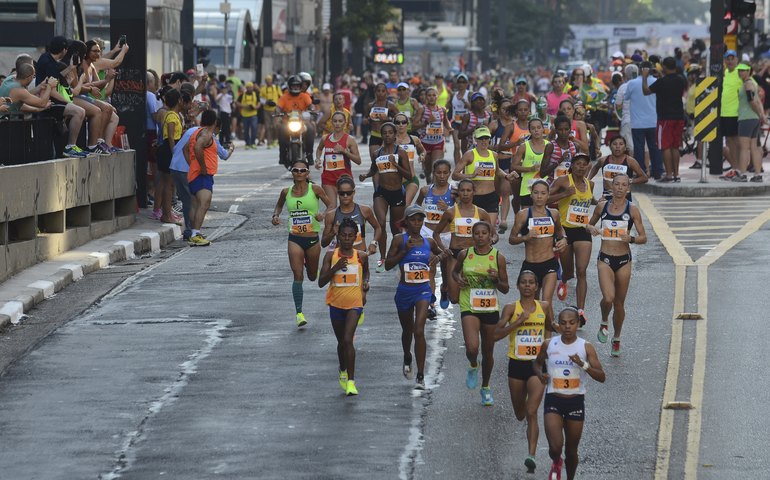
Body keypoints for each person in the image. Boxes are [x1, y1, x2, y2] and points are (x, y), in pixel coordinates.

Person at [533, 307, 606, 480]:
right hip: (553, 399)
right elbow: (536, 363)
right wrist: (540, 374)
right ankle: (556, 461)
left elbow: (602, 376)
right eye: (563, 323)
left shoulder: (585, 347)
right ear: (559, 324)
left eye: (572, 323)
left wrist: (583, 364)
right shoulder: (549, 344)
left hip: (575, 402)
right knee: (556, 447)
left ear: (578, 324)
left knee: (571, 451)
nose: (567, 327)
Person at [494, 270, 553, 474]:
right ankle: (530, 444)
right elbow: (495, 335)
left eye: (531, 283)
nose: (527, 286)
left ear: (537, 287)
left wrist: (548, 348)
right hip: (516, 365)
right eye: (523, 283)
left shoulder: (544, 306)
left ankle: (531, 455)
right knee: (520, 413)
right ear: (518, 286)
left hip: (537, 366)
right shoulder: (511, 308)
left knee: (531, 411)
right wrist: (518, 322)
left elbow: (550, 326)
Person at [384, 204, 446, 390]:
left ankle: (420, 375)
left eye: (420, 219)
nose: (417, 223)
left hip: (423, 291)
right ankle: (407, 356)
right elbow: (387, 265)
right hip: (404, 291)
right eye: (413, 219)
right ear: (407, 221)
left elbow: (442, 254)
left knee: (419, 330)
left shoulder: (429, 242)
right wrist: (404, 251)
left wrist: (438, 260)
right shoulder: (398, 240)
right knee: (408, 331)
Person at [587, 174, 647, 356]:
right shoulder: (602, 206)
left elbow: (644, 237)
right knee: (608, 298)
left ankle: (617, 338)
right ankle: (604, 320)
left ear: (628, 189)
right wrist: (593, 229)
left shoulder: (633, 209)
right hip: (605, 258)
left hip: (623, 260)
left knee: (619, 303)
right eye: (617, 184)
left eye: (624, 185)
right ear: (611, 186)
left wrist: (632, 238)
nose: (620, 188)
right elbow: (589, 225)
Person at [453, 221, 510, 405]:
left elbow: (505, 288)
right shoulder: (465, 254)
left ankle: (485, 387)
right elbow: (455, 273)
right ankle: (472, 364)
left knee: (488, 351)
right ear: (472, 235)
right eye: (476, 233)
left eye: (484, 233)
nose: (480, 236)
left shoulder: (498, 257)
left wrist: (495, 279)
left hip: (489, 307)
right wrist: (458, 279)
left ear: (490, 235)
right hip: (468, 304)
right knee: (472, 347)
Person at [271, 160, 333, 327]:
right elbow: (278, 206)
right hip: (295, 238)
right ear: (292, 173)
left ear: (307, 173)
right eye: (295, 170)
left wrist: (323, 214)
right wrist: (275, 216)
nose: (299, 173)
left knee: (312, 276)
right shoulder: (286, 191)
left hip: (312, 238)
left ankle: (311, 267)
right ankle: (299, 313)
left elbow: (331, 205)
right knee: (298, 275)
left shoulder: (315, 189)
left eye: (302, 170)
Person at [318, 218, 370, 397]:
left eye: (350, 236)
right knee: (341, 343)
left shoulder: (361, 256)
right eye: (343, 236)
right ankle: (342, 368)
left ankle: (351, 381)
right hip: (335, 304)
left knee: (348, 340)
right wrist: (335, 268)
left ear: (355, 237)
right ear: (338, 237)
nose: (347, 239)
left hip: (355, 304)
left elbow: (366, 274)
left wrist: (365, 284)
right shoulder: (330, 256)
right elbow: (321, 282)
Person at [508, 179, 567, 319]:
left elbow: (560, 232)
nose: (539, 196)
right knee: (531, 304)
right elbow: (511, 239)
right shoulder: (523, 215)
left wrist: (564, 239)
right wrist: (525, 237)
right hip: (530, 265)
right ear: (531, 195)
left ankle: (548, 337)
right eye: (536, 193)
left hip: (549, 263)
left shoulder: (554, 214)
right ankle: (534, 334)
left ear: (548, 196)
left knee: (546, 302)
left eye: (543, 193)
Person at [548, 153, 595, 324]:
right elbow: (545, 199)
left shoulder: (590, 184)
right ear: (572, 166)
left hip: (582, 231)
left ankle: (580, 311)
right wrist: (564, 194)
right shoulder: (562, 181)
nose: (581, 167)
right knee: (569, 271)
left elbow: (590, 202)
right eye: (578, 164)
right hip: (564, 231)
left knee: (582, 271)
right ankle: (564, 280)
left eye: (584, 164)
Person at [172, 110, 234, 240]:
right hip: (202, 175)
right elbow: (197, 147)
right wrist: (202, 167)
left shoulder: (196, 132)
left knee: (195, 204)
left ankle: (193, 233)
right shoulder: (206, 135)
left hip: (195, 174)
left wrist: (193, 165)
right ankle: (195, 233)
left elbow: (185, 149)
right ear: (215, 122)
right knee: (204, 203)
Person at [359, 122, 411, 272]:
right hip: (381, 193)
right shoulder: (377, 153)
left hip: (397, 193)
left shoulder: (400, 152)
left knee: (396, 229)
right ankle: (382, 258)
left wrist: (396, 165)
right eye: (385, 133)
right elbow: (373, 170)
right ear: (381, 135)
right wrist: (365, 175)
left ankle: (395, 256)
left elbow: (409, 175)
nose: (387, 135)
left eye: (390, 132)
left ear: (395, 135)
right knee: (380, 223)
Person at [453, 126, 514, 236]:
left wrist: (506, 176)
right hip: (474, 198)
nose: (484, 141)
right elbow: (455, 175)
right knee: (472, 232)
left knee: (488, 232)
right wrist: (471, 175)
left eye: (486, 138)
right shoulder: (470, 155)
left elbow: (497, 170)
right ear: (475, 139)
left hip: (491, 197)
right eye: (481, 138)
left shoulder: (494, 155)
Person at [416, 159, 454, 312]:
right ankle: (431, 302)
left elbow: (462, 211)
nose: (442, 176)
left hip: (446, 234)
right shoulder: (425, 190)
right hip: (428, 233)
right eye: (438, 172)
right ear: (433, 174)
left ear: (449, 173)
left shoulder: (454, 191)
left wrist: (450, 208)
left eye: (445, 173)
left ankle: (444, 288)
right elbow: (416, 207)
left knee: (446, 269)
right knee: (430, 266)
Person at [643, 56, 687, 182]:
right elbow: (670, 81)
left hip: (665, 118)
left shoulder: (661, 82)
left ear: (664, 67)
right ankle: (676, 175)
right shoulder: (681, 80)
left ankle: (668, 175)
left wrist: (645, 78)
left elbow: (646, 91)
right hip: (679, 116)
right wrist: (662, 74)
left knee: (665, 146)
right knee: (675, 146)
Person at [320, 176, 382, 259]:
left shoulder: (364, 210)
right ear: (338, 193)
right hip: (340, 258)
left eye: (348, 193)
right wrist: (333, 233)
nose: (345, 196)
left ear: (353, 192)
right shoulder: (331, 215)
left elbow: (377, 227)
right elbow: (323, 243)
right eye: (342, 193)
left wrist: (374, 243)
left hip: (360, 257)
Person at [314, 111, 362, 207]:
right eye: (335, 121)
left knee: (346, 207)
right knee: (332, 207)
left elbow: (358, 161)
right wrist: (317, 159)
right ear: (331, 122)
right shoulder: (325, 138)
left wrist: (344, 151)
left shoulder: (350, 139)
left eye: (340, 121)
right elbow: (319, 149)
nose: (337, 124)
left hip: (345, 178)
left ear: (345, 123)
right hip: (328, 179)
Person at [624, 61, 663, 179]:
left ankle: (640, 172)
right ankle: (658, 172)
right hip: (653, 121)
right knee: (655, 148)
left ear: (640, 69)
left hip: (637, 123)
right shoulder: (657, 82)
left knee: (639, 149)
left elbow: (626, 97)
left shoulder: (631, 83)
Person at [154, 88, 184, 224]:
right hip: (168, 150)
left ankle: (166, 214)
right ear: (179, 101)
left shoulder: (172, 114)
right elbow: (171, 137)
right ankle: (167, 215)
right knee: (169, 185)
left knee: (168, 184)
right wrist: (175, 154)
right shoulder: (171, 116)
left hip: (169, 149)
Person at [588, 136, 648, 200]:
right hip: (607, 198)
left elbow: (644, 178)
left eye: (621, 144)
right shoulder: (603, 160)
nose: (617, 146)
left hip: (625, 199)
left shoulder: (630, 161)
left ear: (625, 147)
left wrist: (630, 181)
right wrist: (588, 179)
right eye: (614, 144)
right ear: (610, 146)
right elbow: (595, 168)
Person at [511, 118, 553, 208]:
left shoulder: (549, 145)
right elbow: (514, 166)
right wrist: (530, 169)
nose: (536, 130)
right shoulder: (524, 146)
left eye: (538, 127)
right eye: (533, 128)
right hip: (527, 188)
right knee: (526, 217)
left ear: (543, 129)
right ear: (529, 130)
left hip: (544, 187)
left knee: (542, 217)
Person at [734, 63, 766, 182]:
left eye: (743, 70)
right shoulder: (752, 84)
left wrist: (759, 114)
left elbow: (752, 102)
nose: (740, 73)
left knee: (744, 148)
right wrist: (761, 115)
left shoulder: (747, 84)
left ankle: (742, 175)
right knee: (754, 147)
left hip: (746, 118)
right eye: (739, 71)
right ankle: (757, 175)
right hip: (754, 119)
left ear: (749, 71)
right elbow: (758, 101)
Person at [413, 87, 452, 183]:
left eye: (434, 95)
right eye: (429, 95)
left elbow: (446, 121)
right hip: (425, 143)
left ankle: (434, 189)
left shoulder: (442, 110)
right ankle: (427, 176)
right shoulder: (422, 110)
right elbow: (414, 126)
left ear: (437, 96)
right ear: (426, 97)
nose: (431, 97)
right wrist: (426, 122)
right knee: (428, 169)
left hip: (438, 142)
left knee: (436, 166)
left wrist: (449, 128)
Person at [276, 75, 315, 164]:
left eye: (297, 85)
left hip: (302, 121)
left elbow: (310, 106)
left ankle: (309, 154)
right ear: (289, 86)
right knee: (281, 129)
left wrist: (312, 110)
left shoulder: (305, 96)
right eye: (293, 85)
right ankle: (282, 154)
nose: (295, 87)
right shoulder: (284, 97)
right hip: (287, 121)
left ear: (300, 86)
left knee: (310, 129)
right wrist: (278, 112)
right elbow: (278, 107)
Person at [394, 112, 427, 205]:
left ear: (407, 124)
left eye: (403, 122)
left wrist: (422, 156)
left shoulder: (414, 139)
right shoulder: (390, 140)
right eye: (397, 122)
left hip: (411, 179)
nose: (401, 125)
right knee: (396, 209)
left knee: (405, 204)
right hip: (394, 181)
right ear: (394, 124)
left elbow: (423, 151)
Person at [719, 50, 742, 180]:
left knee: (736, 141)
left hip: (735, 113)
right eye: (728, 59)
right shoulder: (725, 73)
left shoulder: (740, 72)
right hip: (724, 113)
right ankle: (734, 168)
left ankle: (739, 169)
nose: (730, 61)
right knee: (729, 142)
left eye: (732, 59)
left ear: (737, 60)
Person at [364, 83, 400, 160]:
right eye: (378, 91)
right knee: (374, 160)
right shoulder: (371, 105)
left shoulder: (391, 105)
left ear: (386, 92)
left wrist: (388, 119)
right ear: (375, 92)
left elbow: (400, 119)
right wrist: (366, 121)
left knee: (387, 160)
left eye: (383, 91)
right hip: (375, 135)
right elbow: (365, 118)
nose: (380, 93)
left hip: (388, 136)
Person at [540, 115, 579, 182]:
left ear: (570, 129)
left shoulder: (575, 147)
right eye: (560, 130)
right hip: (553, 187)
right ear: (556, 130)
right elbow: (542, 173)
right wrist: (559, 161)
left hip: (569, 186)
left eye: (566, 129)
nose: (563, 132)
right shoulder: (551, 147)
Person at [449, 74, 471, 162]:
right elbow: (449, 108)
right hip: (455, 122)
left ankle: (465, 165)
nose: (461, 84)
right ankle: (458, 166)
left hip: (466, 123)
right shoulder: (453, 95)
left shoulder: (469, 94)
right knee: (457, 145)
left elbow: (472, 108)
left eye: (463, 82)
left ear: (467, 83)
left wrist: (463, 100)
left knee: (464, 147)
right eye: (459, 82)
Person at [237, 82, 260, 149]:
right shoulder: (242, 95)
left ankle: (253, 143)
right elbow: (237, 102)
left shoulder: (255, 94)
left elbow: (259, 103)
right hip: (245, 115)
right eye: (248, 87)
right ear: (246, 88)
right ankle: (247, 143)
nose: (250, 88)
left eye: (251, 87)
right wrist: (244, 106)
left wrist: (255, 107)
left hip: (253, 114)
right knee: (246, 129)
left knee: (254, 128)